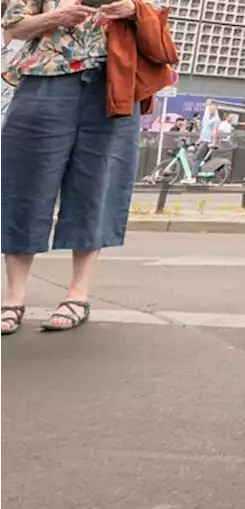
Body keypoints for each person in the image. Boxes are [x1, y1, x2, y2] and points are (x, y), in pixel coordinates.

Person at [0, 0, 148, 336]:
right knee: (25, 183)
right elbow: (13, 26)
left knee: (96, 186)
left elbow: (157, 18)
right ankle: (12, 297)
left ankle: (77, 294)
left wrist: (131, 9)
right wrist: (56, 17)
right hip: (44, 79)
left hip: (113, 83)